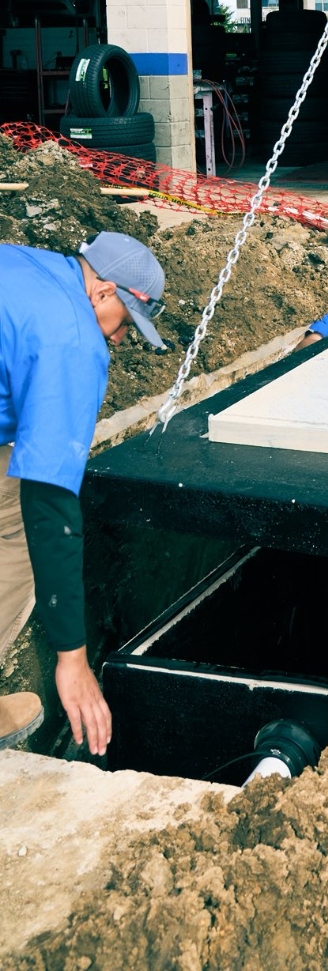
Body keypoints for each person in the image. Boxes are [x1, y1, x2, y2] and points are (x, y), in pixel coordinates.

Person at [0, 230, 167, 754]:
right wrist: (72, 658)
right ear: (105, 292)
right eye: (125, 326)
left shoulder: (30, 265)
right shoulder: (72, 338)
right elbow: (49, 501)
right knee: (24, 541)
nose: (118, 341)